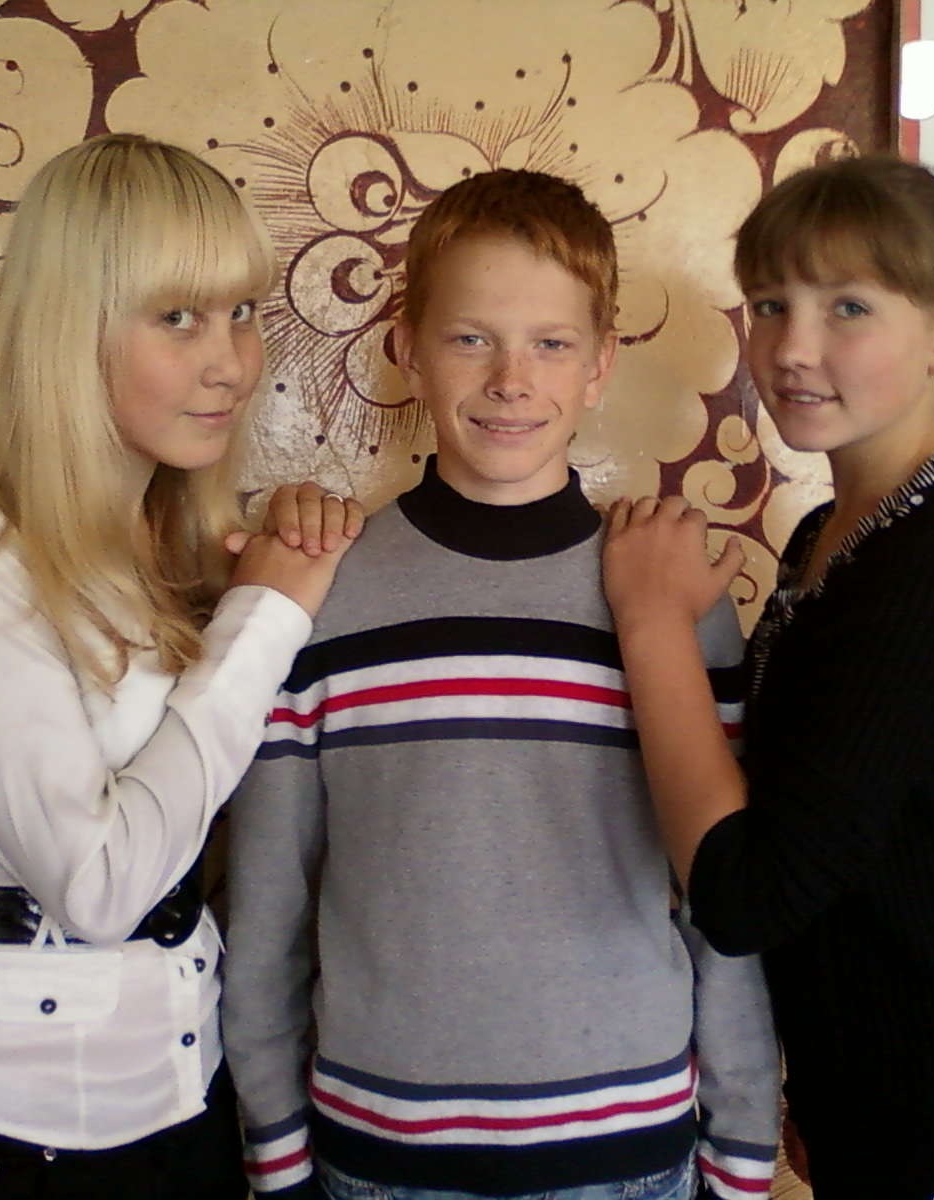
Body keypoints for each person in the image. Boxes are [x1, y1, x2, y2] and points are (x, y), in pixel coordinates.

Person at [223, 169, 781, 1200]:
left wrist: (743, 1148)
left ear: (601, 366)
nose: (511, 379)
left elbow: (725, 909)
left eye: (552, 344)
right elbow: (267, 909)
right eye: (470, 338)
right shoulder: (320, 589)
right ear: (407, 347)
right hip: (379, 1158)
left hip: (628, 1156)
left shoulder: (673, 593)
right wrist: (277, 1154)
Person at [601, 156, 934, 1200]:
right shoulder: (830, 534)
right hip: (885, 1114)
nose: (792, 348)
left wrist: (653, 627)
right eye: (769, 305)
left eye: (847, 307)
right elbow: (826, 830)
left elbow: (746, 892)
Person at [0, 133, 356, 1200]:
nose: (232, 361)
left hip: (181, 1097)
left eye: (242, 311)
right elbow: (101, 885)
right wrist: (265, 618)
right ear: (70, 326)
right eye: (177, 317)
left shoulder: (168, 543)